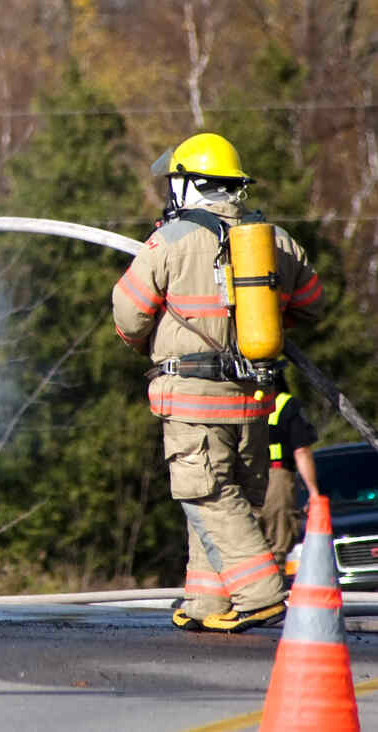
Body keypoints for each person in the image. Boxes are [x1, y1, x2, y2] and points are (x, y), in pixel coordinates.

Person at [112, 132, 324, 633]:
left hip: (193, 397)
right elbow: (312, 304)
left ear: (189, 185)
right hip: (253, 399)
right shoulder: (274, 239)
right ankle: (208, 601)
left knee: (207, 495)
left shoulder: (171, 240)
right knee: (224, 497)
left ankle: (262, 594)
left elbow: (128, 315)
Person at [260, 374, 320, 570]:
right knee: (277, 547)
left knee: (245, 547)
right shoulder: (286, 404)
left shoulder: (239, 400)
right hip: (276, 478)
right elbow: (301, 451)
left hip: (241, 478)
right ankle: (271, 586)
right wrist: (313, 493)